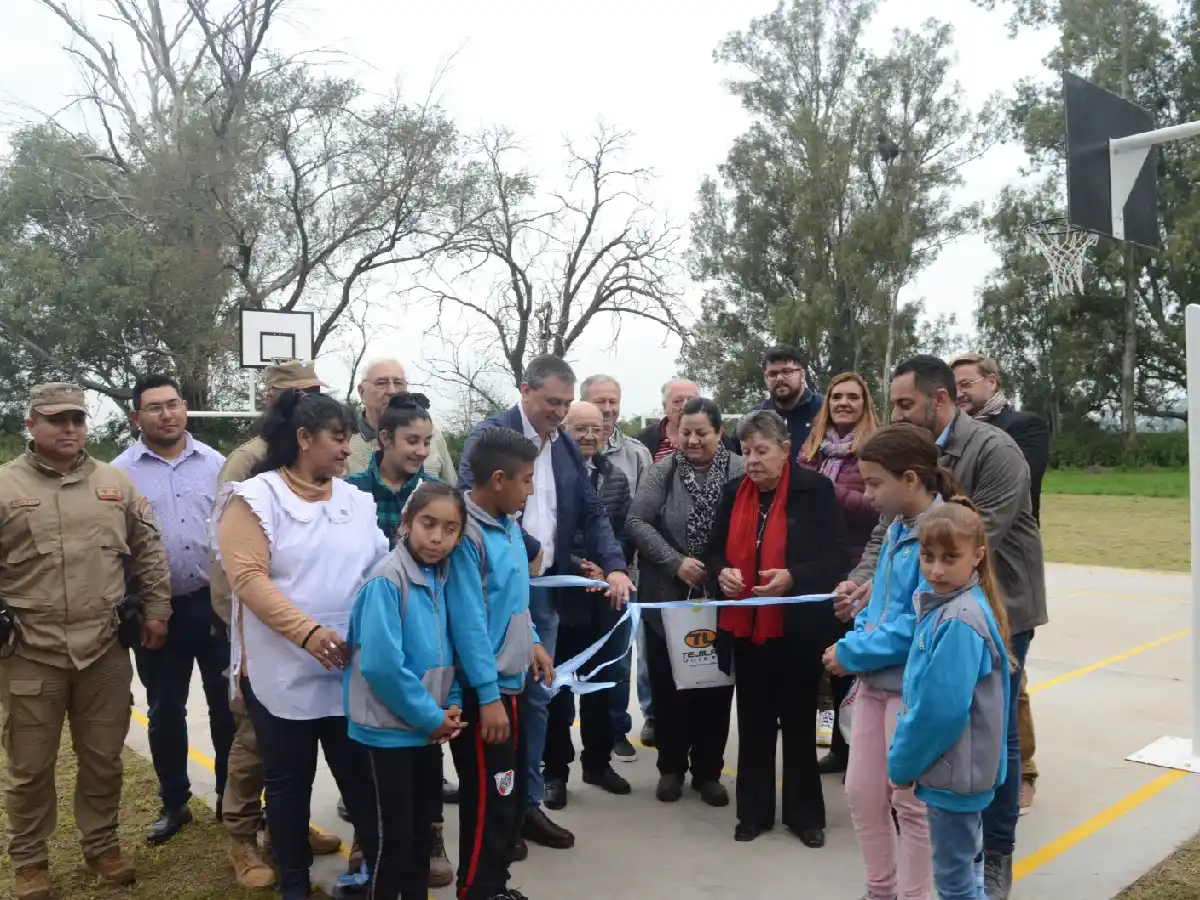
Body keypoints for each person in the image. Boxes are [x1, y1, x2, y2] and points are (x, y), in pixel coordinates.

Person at [841, 355, 1047, 900]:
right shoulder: (907, 480)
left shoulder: (994, 450)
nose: (896, 414)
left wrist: (864, 643)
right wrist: (862, 592)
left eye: (905, 404)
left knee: (992, 741)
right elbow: (888, 544)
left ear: (938, 399)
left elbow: (968, 545)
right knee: (888, 789)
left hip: (996, 609)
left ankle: (994, 856)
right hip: (913, 640)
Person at [1, 383, 173, 900]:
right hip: (30, 651)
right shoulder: (5, 486)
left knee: (103, 758)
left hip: (103, 649)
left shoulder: (114, 482)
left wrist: (157, 610)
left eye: (77, 418)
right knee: (30, 767)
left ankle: (102, 848)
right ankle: (30, 862)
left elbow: (148, 550)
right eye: (57, 419)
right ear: (31, 424)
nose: (70, 428)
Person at [215, 390, 389, 900]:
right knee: (289, 782)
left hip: (347, 668)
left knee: (359, 777)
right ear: (304, 438)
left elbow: (378, 568)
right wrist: (307, 632)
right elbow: (248, 579)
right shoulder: (255, 498)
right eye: (338, 437)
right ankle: (293, 882)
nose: (347, 448)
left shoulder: (355, 500)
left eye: (349, 438)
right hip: (282, 671)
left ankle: (377, 870)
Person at [458, 355, 632, 852]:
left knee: (537, 700)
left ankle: (526, 806)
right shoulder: (491, 436)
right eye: (552, 401)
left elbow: (591, 510)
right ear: (525, 389)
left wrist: (614, 565)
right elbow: (474, 506)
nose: (559, 412)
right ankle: (496, 817)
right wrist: (528, 550)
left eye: (565, 403)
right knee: (492, 705)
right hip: (495, 595)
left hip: (544, 597)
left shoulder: (565, 445)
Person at [208, 360, 342, 889]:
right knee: (255, 738)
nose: (309, 400)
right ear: (275, 400)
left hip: (316, 636)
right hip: (260, 629)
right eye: (299, 394)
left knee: (300, 748)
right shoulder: (248, 461)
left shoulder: (329, 455)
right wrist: (238, 629)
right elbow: (228, 556)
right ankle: (241, 836)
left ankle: (287, 829)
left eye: (315, 392)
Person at [706, 410, 850, 846]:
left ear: (786, 450)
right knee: (753, 722)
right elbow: (713, 550)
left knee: (799, 721)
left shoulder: (815, 490)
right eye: (746, 451)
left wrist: (794, 577)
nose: (752, 460)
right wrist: (723, 571)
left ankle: (804, 816)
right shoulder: (733, 492)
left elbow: (837, 555)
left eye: (761, 451)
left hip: (797, 629)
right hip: (746, 629)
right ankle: (753, 813)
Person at [823, 424, 950, 900]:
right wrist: (857, 624)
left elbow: (917, 624)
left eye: (875, 483)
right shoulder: (897, 527)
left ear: (911, 479)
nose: (868, 494)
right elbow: (881, 604)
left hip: (910, 691)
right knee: (861, 793)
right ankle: (880, 890)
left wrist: (851, 651)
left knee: (910, 803)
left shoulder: (940, 538)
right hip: (874, 684)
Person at [112, 375, 235, 845]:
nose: (167, 415)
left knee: (228, 707)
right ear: (136, 417)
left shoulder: (217, 465)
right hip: (156, 612)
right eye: (154, 407)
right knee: (165, 711)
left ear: (185, 407)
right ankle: (175, 803)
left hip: (214, 605)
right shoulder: (119, 475)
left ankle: (231, 799)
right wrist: (142, 608)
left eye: (173, 404)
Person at [345, 391, 452, 887]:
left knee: (419, 802)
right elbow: (381, 665)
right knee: (388, 815)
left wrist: (447, 702)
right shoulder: (352, 495)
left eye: (427, 442)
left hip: (424, 688)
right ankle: (369, 843)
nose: (421, 451)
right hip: (379, 653)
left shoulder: (433, 495)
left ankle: (427, 841)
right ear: (383, 439)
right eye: (412, 441)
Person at [343, 482, 469, 900]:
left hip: (424, 730)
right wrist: (433, 718)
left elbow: (446, 651)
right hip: (387, 734)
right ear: (406, 522)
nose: (437, 538)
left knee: (420, 835)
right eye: (428, 524)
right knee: (391, 842)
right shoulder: (387, 580)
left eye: (450, 529)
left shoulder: (440, 576)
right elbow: (381, 666)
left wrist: (451, 703)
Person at [446, 428, 557, 900]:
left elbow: (513, 600)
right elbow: (469, 624)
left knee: (506, 795)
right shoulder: (467, 535)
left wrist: (533, 641)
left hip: (511, 682)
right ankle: (475, 889)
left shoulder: (508, 526)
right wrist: (487, 698)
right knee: (487, 798)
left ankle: (495, 884)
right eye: (526, 480)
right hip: (482, 692)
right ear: (497, 479)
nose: (530, 490)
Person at [888, 501, 1012, 900]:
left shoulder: (958, 620)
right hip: (963, 770)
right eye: (928, 557)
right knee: (968, 870)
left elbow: (939, 712)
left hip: (954, 775)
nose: (936, 570)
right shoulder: (957, 606)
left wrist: (903, 763)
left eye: (950, 558)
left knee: (954, 883)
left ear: (977, 556)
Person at [626, 397, 743, 808]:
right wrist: (675, 562)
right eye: (685, 432)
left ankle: (708, 772)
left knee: (715, 687)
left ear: (719, 433)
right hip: (667, 595)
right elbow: (637, 521)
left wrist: (722, 566)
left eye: (702, 433)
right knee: (667, 686)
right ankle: (671, 768)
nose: (692, 440)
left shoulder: (738, 470)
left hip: (721, 594)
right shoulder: (663, 471)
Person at [951, 352, 1050, 814]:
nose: (960, 393)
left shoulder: (1021, 428)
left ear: (992, 382)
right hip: (966, 562)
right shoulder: (949, 436)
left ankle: (1022, 775)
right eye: (954, 386)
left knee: (1012, 685)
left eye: (967, 384)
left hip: (1006, 564)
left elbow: (1011, 489)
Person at [542, 400, 635, 806]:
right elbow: (551, 535)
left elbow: (624, 531)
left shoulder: (615, 477)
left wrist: (612, 568)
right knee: (558, 687)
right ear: (563, 429)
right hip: (564, 597)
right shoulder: (549, 476)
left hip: (607, 600)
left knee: (602, 684)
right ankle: (555, 772)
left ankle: (598, 763)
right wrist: (582, 567)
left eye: (597, 428)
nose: (590, 436)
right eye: (580, 428)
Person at [800, 371, 881, 774]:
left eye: (852, 397)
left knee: (852, 664)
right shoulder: (811, 450)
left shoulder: (875, 450)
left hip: (856, 570)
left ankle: (856, 749)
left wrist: (830, 491)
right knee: (821, 666)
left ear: (865, 404)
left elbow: (876, 508)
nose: (844, 403)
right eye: (836, 397)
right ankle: (831, 746)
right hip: (815, 570)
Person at [579, 374, 652, 762]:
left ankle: (614, 733)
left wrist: (612, 567)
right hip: (571, 578)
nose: (607, 411)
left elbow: (634, 521)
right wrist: (583, 566)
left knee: (617, 661)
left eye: (613, 402)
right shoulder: (555, 462)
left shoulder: (634, 457)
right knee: (569, 665)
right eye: (599, 403)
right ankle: (556, 759)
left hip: (620, 577)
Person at [346, 359, 457, 486]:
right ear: (362, 391)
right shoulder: (346, 439)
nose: (392, 391)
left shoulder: (432, 433)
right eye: (381, 383)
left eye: (398, 383)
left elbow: (452, 487)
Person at [734, 345, 825, 456]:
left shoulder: (824, 409)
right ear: (765, 379)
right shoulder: (754, 416)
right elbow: (731, 451)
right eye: (772, 374)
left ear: (802, 375)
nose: (779, 378)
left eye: (786, 372)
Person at [637, 378, 738, 463]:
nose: (685, 406)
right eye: (677, 401)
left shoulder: (720, 439)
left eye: (692, 400)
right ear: (665, 407)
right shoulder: (642, 441)